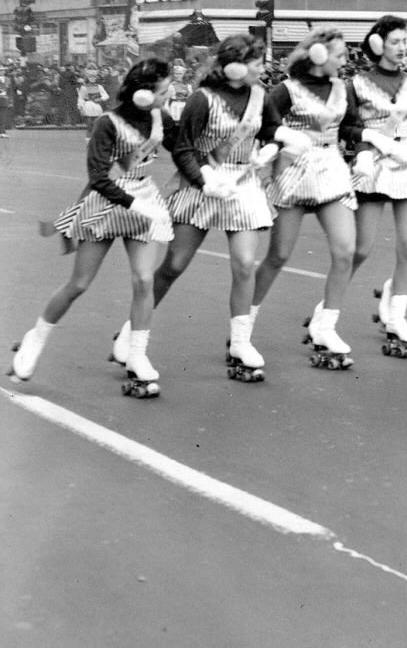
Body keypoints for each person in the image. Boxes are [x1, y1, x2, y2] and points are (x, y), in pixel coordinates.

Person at [10, 58, 175, 396]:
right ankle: (35, 339)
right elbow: (99, 178)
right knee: (80, 283)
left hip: (145, 198)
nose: (168, 93)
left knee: (144, 280)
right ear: (143, 94)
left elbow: (183, 146)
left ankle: (137, 354)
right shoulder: (107, 124)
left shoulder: (161, 118)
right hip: (107, 203)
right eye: (162, 90)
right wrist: (134, 203)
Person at [138, 35, 279, 382]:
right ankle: (132, 333)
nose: (263, 68)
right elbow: (184, 149)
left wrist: (270, 150)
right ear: (234, 65)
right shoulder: (202, 99)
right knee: (174, 264)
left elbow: (274, 130)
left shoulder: (261, 96)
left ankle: (240, 343)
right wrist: (205, 182)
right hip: (204, 181)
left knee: (245, 263)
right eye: (256, 62)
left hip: (242, 183)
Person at [252, 28, 359, 369]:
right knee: (278, 255)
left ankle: (325, 326)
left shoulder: (343, 88)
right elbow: (262, 123)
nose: (345, 61)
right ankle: (243, 326)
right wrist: (283, 136)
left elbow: (351, 127)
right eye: (340, 55)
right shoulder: (287, 90)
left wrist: (369, 145)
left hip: (332, 170)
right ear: (318, 55)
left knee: (346, 251)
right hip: (295, 170)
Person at [347, 16, 407, 359]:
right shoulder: (356, 84)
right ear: (377, 45)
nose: (403, 48)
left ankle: (396, 316)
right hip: (373, 166)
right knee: (360, 249)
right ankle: (328, 310)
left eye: (405, 42)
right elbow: (349, 127)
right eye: (396, 41)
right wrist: (367, 148)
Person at [76, 65, 108, 136]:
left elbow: (106, 95)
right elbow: (81, 98)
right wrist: (80, 106)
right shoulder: (84, 87)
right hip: (88, 106)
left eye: (94, 77)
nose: (92, 78)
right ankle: (89, 140)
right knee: (90, 125)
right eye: (90, 77)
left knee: (97, 125)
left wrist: (100, 99)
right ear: (88, 77)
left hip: (97, 107)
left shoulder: (99, 86)